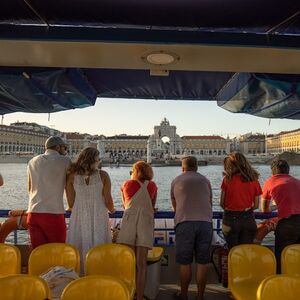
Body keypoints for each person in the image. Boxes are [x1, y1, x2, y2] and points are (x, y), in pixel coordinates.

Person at [66, 147, 115, 273]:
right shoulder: (103, 175)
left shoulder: (71, 177)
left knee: (79, 246)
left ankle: (80, 279)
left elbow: (71, 203)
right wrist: (112, 210)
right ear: (95, 160)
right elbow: (108, 201)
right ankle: (97, 276)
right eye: (98, 159)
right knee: (99, 247)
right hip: (98, 215)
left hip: (79, 216)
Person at [171, 156, 213, 300]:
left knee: (185, 262)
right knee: (203, 262)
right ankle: (200, 296)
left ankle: (184, 295)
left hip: (185, 223)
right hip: (205, 224)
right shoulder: (205, 181)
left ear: (183, 168)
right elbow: (210, 202)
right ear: (196, 167)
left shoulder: (176, 180)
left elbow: (175, 205)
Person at [117, 161, 157, 300]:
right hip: (145, 222)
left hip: (130, 221)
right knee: (142, 265)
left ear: (135, 171)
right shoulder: (153, 186)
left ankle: (128, 294)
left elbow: (125, 205)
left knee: (129, 262)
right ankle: (139, 296)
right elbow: (152, 205)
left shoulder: (126, 184)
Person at [27, 136, 70, 249]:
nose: (65, 150)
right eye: (64, 147)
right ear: (57, 147)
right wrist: (70, 206)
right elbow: (69, 187)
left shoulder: (32, 161)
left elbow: (30, 187)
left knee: (38, 252)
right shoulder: (65, 161)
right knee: (58, 250)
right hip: (53, 213)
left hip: (33, 212)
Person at [261, 159, 300, 273]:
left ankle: (280, 285)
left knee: (281, 257)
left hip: (287, 224)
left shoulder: (270, 182)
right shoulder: (297, 181)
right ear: (288, 171)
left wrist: (276, 206)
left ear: (273, 171)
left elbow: (264, 209)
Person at [220, 152, 261, 250]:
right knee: (245, 251)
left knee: (233, 251)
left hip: (230, 219)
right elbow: (256, 205)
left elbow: (222, 203)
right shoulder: (254, 180)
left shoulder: (227, 179)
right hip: (248, 219)